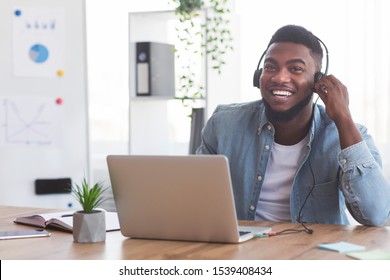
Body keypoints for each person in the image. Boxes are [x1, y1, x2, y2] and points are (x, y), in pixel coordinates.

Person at [197, 25, 390, 226]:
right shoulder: (223, 124)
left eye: (295, 69)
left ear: (318, 81)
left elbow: (377, 215)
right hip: (243, 251)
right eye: (270, 67)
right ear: (258, 76)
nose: (279, 78)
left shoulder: (349, 134)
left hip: (313, 253)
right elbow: (194, 197)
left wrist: (343, 118)